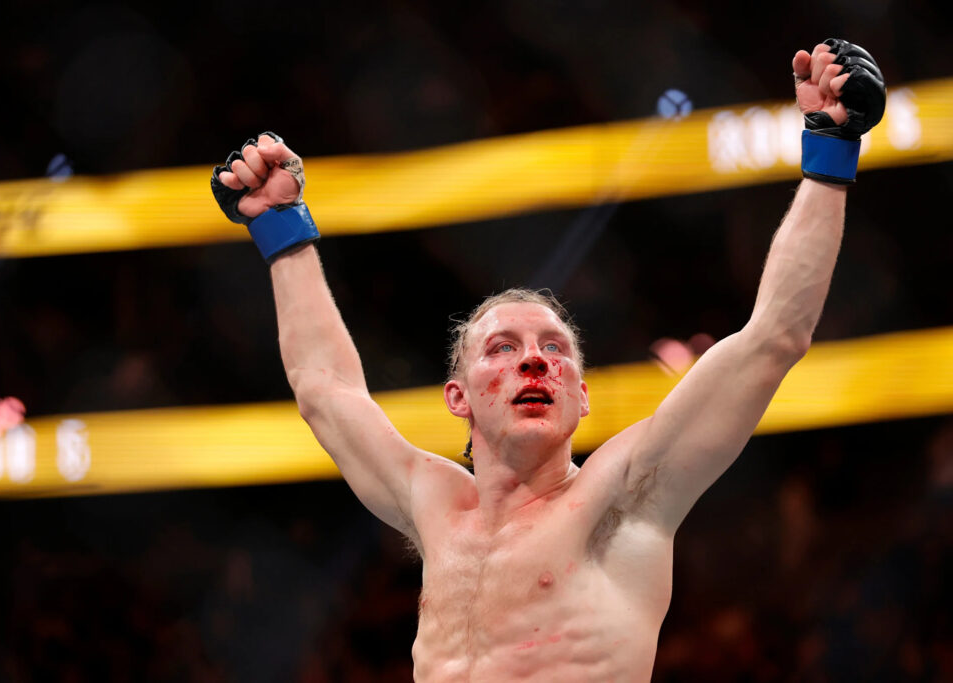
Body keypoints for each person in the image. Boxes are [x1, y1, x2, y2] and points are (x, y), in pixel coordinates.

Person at [210, 40, 885, 682]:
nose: (535, 361)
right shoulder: (433, 503)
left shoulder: (622, 496)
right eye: (503, 348)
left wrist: (830, 147)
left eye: (555, 348)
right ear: (458, 397)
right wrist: (280, 226)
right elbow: (325, 389)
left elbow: (772, 339)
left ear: (582, 396)